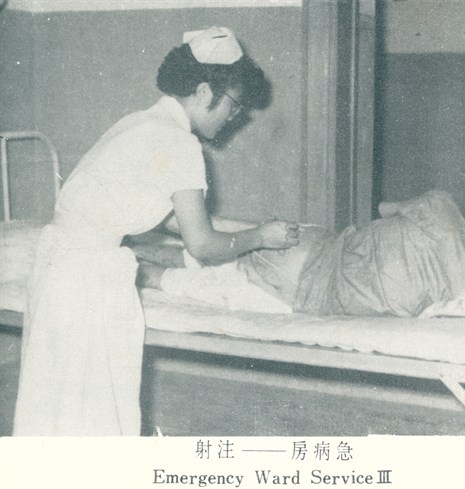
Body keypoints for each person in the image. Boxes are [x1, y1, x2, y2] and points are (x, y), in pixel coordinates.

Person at [13, 27, 299, 436]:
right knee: (95, 417)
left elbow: (157, 211)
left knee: (56, 413)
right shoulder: (181, 144)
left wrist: (229, 230)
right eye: (234, 106)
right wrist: (259, 237)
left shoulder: (138, 123)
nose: (233, 117)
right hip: (87, 282)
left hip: (58, 269)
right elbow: (202, 246)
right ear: (204, 92)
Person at [135, 191, 465, 317]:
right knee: (175, 281)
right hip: (300, 292)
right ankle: (131, 260)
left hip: (308, 243)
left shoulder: (442, 208)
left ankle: (128, 242)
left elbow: (383, 208)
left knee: (210, 249)